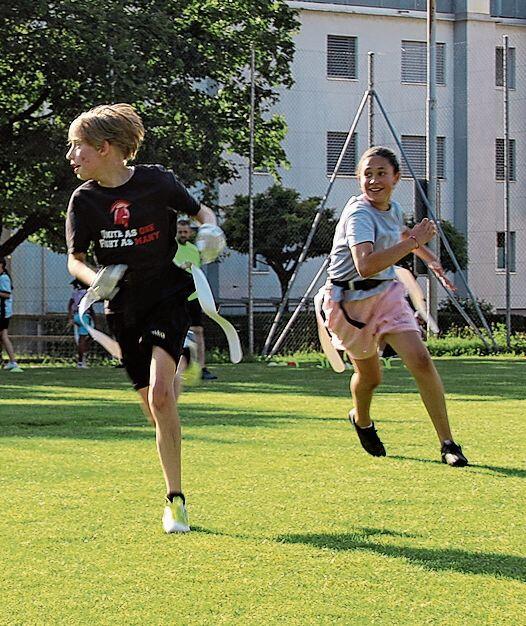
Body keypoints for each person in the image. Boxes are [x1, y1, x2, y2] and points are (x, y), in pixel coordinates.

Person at [65, 103, 226, 533]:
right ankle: (177, 365)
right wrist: (96, 280)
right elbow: (74, 261)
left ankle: (175, 502)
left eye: (76, 147)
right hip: (123, 310)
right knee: (154, 407)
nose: (71, 156)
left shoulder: (158, 182)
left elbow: (202, 213)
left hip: (168, 298)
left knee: (160, 396)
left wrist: (209, 233)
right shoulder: (84, 201)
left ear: (104, 147)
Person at [322, 146, 468, 467]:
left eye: (381, 174)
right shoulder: (359, 215)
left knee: (420, 360)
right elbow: (365, 264)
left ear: (396, 177)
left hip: (387, 295)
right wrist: (415, 241)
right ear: (359, 179)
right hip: (348, 304)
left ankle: (448, 444)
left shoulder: (393, 208)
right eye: (367, 175)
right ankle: (361, 419)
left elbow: (397, 233)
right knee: (371, 378)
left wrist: (431, 261)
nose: (374, 181)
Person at [174, 219, 217, 381]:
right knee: (177, 333)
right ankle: (176, 367)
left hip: (193, 296)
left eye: (186, 232)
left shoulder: (194, 250)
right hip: (176, 298)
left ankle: (202, 368)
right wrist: (180, 269)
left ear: (191, 233)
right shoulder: (169, 249)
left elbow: (196, 273)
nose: (183, 235)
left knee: (198, 331)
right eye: (180, 232)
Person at [0, 257, 23, 372]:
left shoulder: (3, 278)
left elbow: (6, 294)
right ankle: (12, 361)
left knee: (3, 335)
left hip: (3, 312)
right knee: (3, 336)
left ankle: (13, 362)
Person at [67, 279, 95, 368]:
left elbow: (70, 305)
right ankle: (81, 361)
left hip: (76, 316)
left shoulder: (74, 293)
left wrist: (70, 317)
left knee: (80, 339)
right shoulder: (87, 293)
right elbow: (90, 307)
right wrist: (95, 319)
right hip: (84, 316)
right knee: (86, 338)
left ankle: (81, 359)